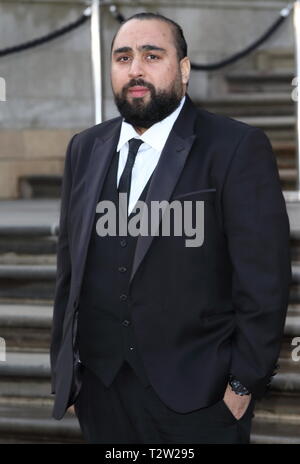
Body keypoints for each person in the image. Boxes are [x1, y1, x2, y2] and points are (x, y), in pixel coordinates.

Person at [50, 12, 291, 444]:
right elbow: (69, 271)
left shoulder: (236, 147)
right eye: (123, 57)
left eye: (151, 55)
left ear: (183, 69)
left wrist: (242, 384)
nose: (135, 69)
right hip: (102, 395)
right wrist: (67, 373)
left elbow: (264, 281)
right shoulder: (84, 148)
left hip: (199, 400)